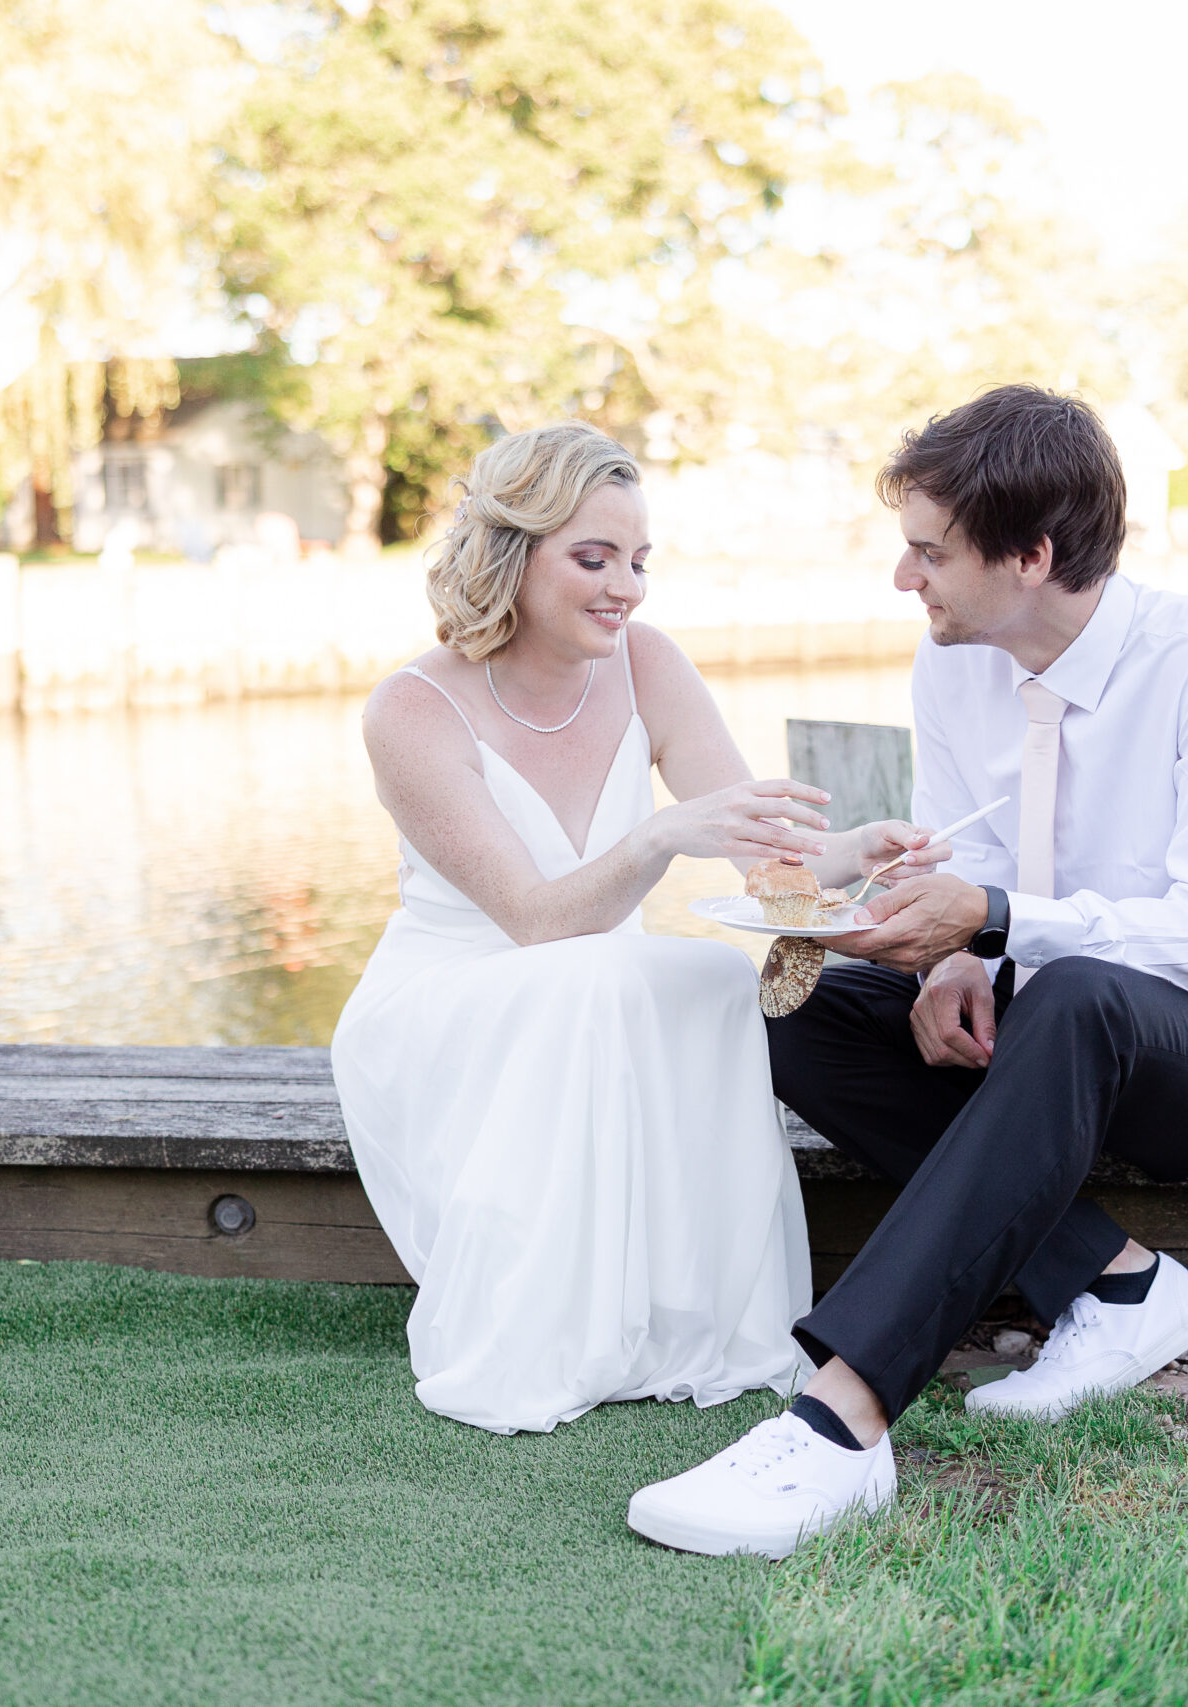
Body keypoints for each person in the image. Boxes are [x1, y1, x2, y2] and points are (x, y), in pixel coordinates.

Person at [626, 386, 1188, 1559]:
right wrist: (949, 955)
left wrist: (995, 924)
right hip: (1039, 1023)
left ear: (1032, 554)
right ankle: (1113, 1281)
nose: (906, 579)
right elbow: (973, 856)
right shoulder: (953, 664)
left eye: (927, 552)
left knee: (1082, 989)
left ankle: (841, 1420)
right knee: (794, 1013)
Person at [331, 422, 944, 1436]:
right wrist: (661, 836)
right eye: (593, 558)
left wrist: (858, 857)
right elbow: (535, 923)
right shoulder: (411, 709)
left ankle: (690, 1319)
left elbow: (768, 871)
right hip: (449, 1000)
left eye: (639, 560)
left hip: (583, 985)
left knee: (709, 981)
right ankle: (550, 1330)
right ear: (511, 554)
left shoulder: (647, 664)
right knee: (605, 980)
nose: (626, 587)